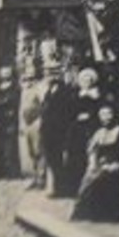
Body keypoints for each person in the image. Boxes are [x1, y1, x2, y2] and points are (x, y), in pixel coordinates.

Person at [71, 103, 119, 221]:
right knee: (88, 179)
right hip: (100, 164)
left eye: (108, 114)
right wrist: (92, 163)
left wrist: (115, 164)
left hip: (115, 163)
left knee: (101, 178)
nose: (106, 117)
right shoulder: (99, 132)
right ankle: (86, 213)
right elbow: (92, 150)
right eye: (103, 115)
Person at [61, 66, 102, 197]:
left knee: (90, 155)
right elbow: (69, 111)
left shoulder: (97, 95)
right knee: (76, 156)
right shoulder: (75, 95)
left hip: (91, 127)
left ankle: (90, 188)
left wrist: (91, 116)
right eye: (84, 79)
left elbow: (101, 110)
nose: (86, 81)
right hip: (77, 129)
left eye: (89, 79)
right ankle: (74, 187)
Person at [38, 65, 78, 197]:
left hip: (60, 130)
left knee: (59, 160)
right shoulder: (48, 90)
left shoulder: (66, 91)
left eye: (54, 73)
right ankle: (53, 186)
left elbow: (69, 112)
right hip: (48, 130)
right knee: (51, 159)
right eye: (49, 73)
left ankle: (62, 189)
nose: (51, 76)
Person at [0, 64, 22, 178]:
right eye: (3, 73)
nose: (5, 75)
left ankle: (11, 172)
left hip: (10, 121)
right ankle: (0, 170)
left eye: (7, 73)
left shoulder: (15, 88)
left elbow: (15, 103)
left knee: (10, 147)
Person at [19, 72, 47, 188]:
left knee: (38, 150)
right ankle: (32, 177)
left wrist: (40, 120)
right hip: (26, 124)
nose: (27, 82)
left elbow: (43, 106)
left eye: (30, 79)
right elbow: (20, 110)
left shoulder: (38, 91)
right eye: (25, 80)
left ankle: (41, 178)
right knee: (29, 151)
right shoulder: (22, 93)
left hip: (36, 122)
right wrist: (21, 125)